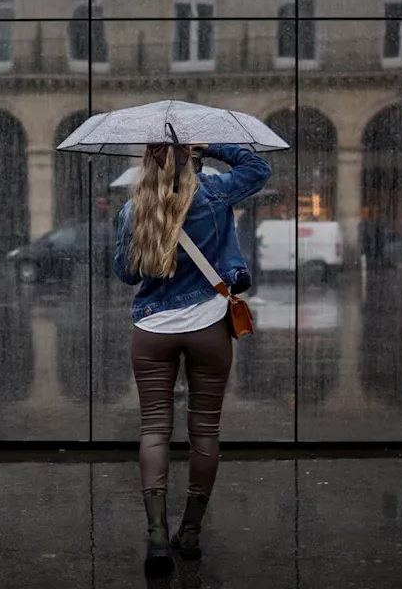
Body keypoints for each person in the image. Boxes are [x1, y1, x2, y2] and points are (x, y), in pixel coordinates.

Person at [113, 141, 270, 577]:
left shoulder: (133, 209)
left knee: (154, 431)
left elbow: (126, 273)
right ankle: (191, 533)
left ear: (148, 161)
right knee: (205, 431)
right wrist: (211, 146)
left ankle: (158, 535)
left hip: (151, 331)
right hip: (208, 329)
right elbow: (258, 168)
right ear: (190, 158)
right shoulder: (215, 192)